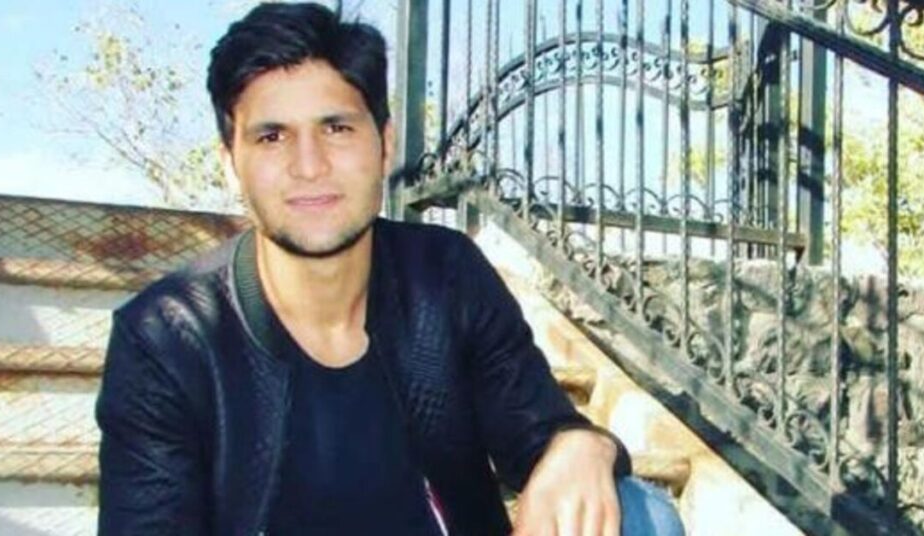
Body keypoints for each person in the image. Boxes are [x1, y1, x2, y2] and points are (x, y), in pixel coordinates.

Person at [95, 3, 684, 535]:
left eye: (336, 128)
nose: (309, 165)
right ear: (231, 164)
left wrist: (581, 445)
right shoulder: (169, 337)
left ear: (384, 143)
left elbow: (537, 430)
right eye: (272, 137)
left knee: (640, 515)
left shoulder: (444, 276)